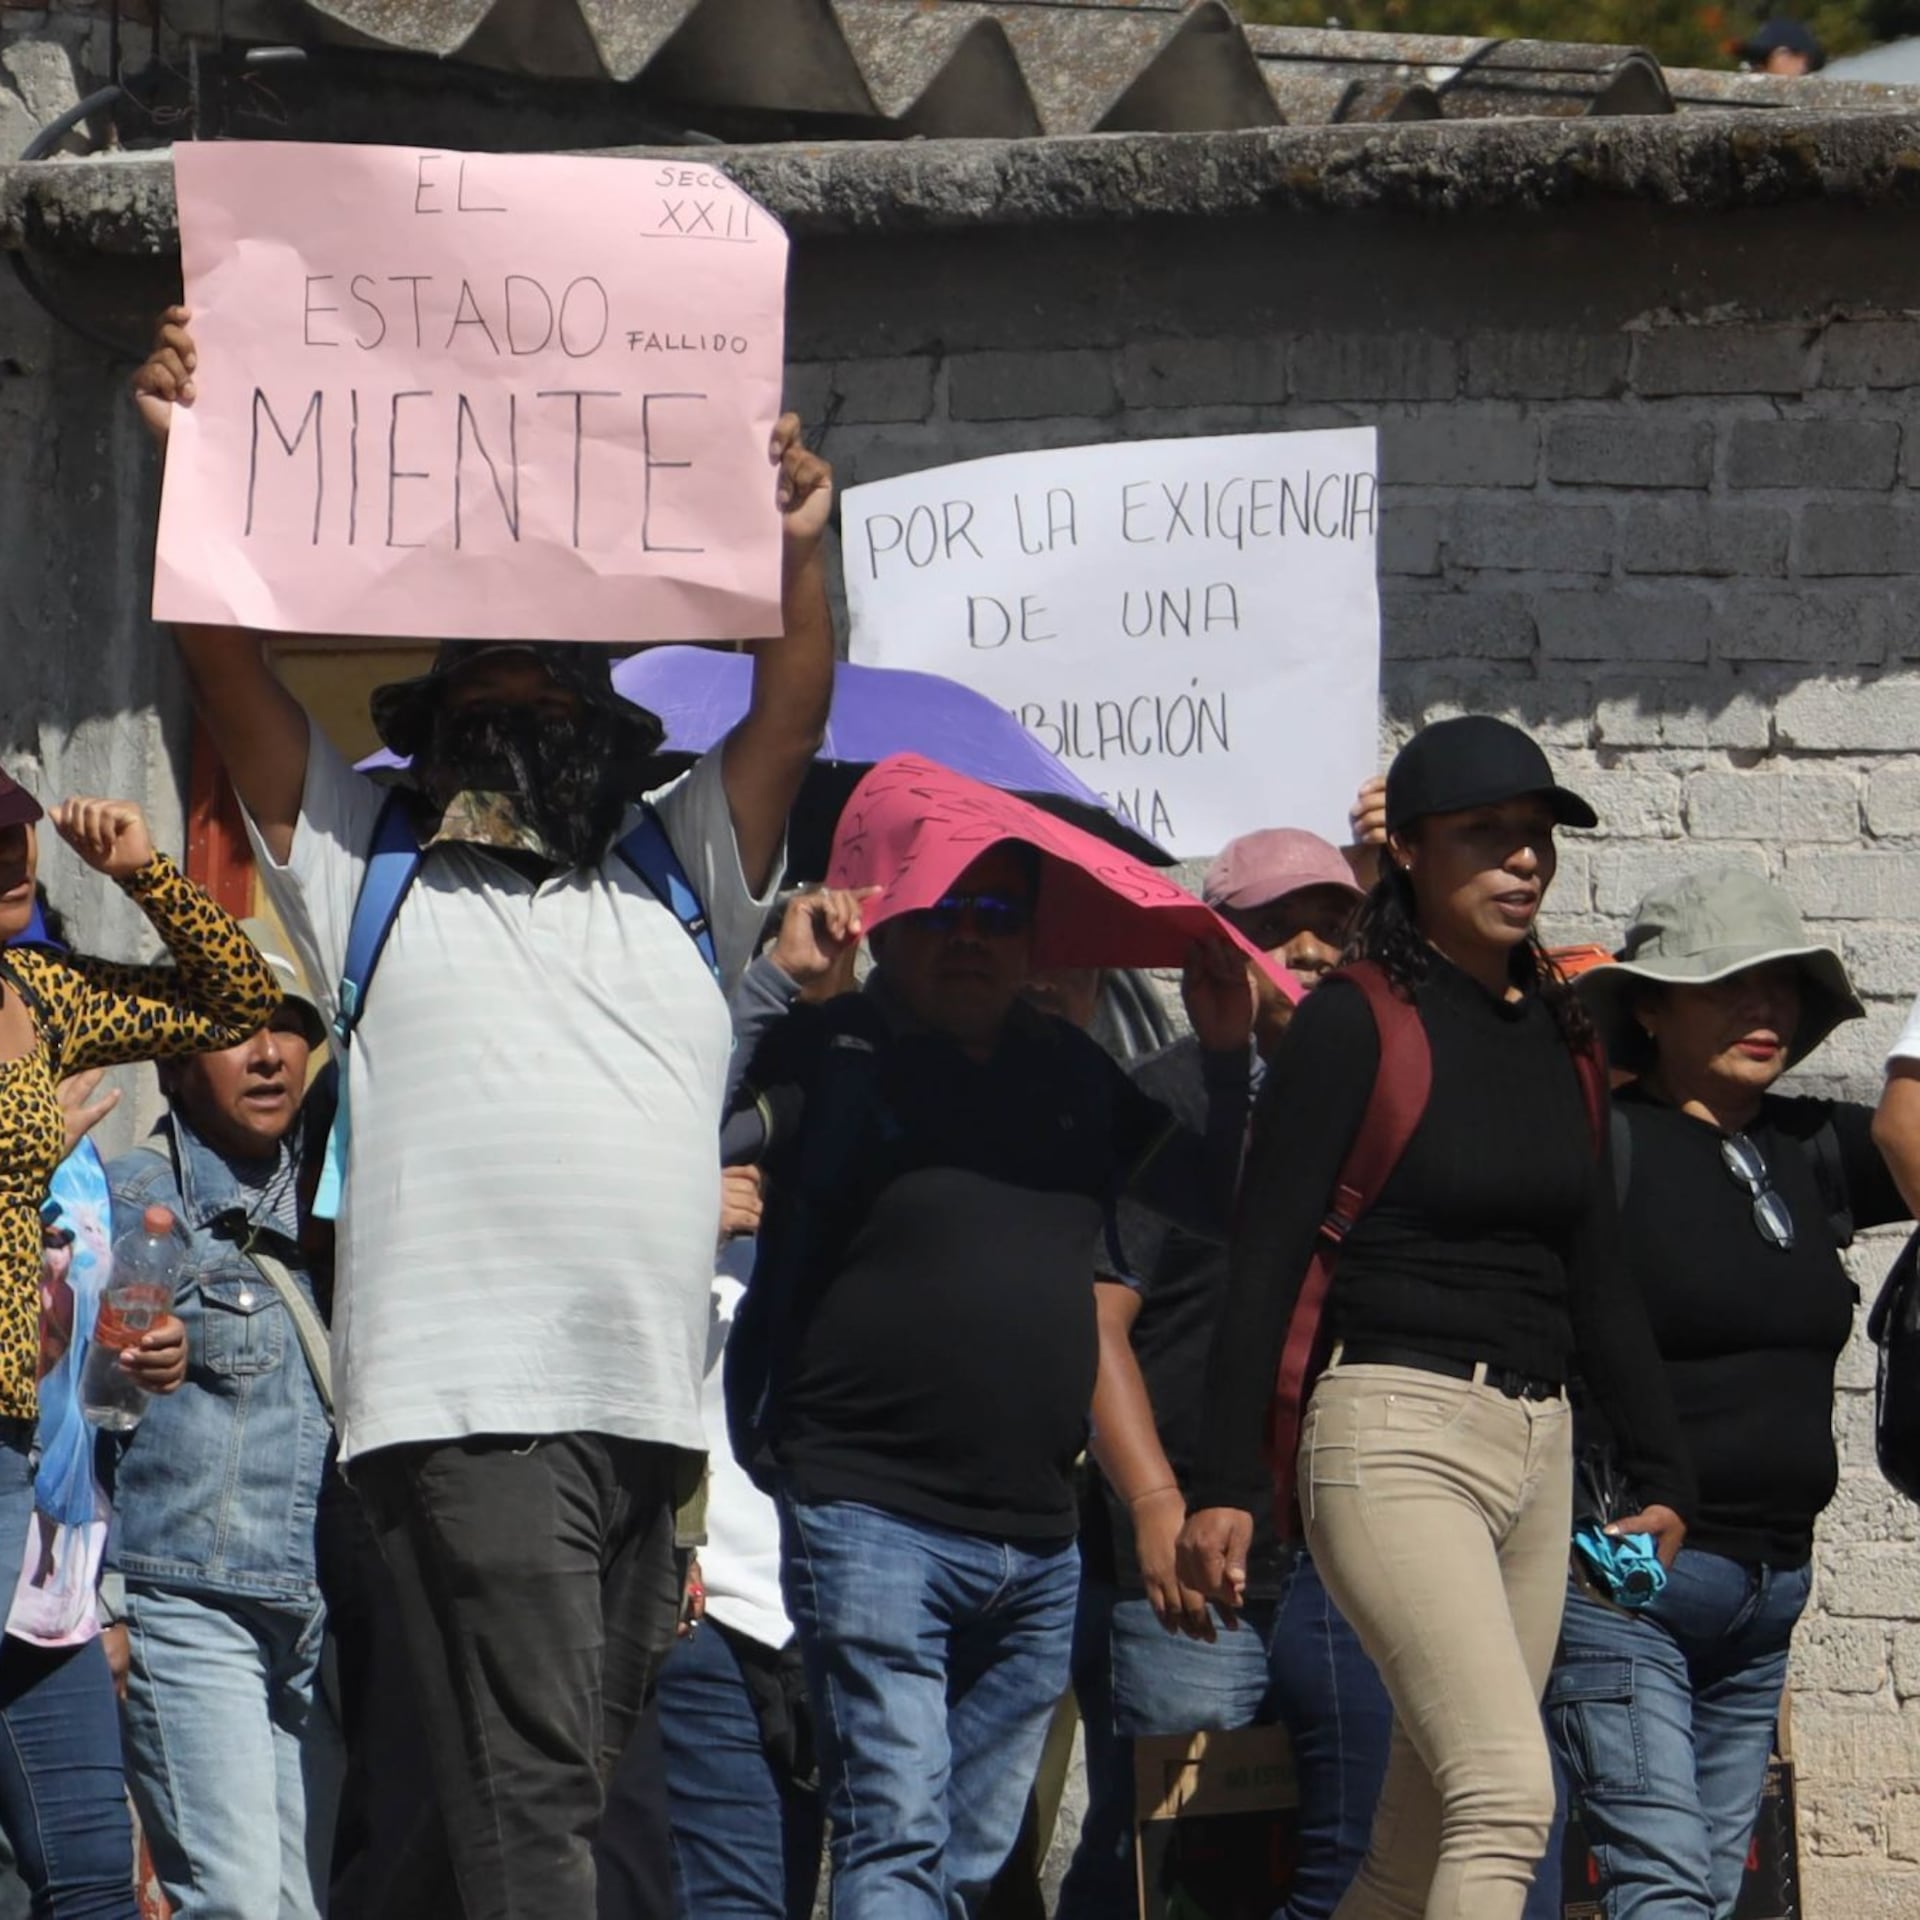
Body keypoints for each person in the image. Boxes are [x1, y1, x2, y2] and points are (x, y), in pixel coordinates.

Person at [133, 310, 835, 1920]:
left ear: (608, 727)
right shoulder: (367, 866)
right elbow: (226, 669)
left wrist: (803, 546)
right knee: (536, 1814)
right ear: (433, 725)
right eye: (485, 691)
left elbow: (790, 705)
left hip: (647, 1424)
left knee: (557, 1798)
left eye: (552, 689)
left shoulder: (685, 878)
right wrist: (193, 466)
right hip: (461, 1412)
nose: (519, 717)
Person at [1179, 716, 1695, 1920]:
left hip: (1540, 1447)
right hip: (1392, 1433)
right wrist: (1222, 1484)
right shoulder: (1353, 1020)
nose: (1523, 862)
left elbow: (1593, 1264)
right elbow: (1262, 1260)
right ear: (1406, 848)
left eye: (1537, 839)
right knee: (1510, 1798)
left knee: (1416, 1844)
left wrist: (1664, 1468)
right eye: (1489, 837)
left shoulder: (1564, 1033)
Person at [729, 839, 1256, 1919]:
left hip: (1035, 1538)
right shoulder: (834, 1047)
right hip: (869, 1512)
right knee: (898, 1832)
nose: (971, 936)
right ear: (891, 923)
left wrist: (1220, 1057)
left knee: (968, 1861)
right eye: (943, 910)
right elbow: (692, 1123)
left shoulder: (1069, 1068)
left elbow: (1222, 1205)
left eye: (999, 915)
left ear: (1035, 943)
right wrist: (779, 981)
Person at [1530, 868, 1906, 1920]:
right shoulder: (1599, 1146)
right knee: (1661, 1890)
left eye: (1783, 987)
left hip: (1771, 1588)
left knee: (1703, 1893)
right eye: (1729, 985)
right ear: (1648, 1006)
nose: (1766, 1009)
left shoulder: (1818, 1146)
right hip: (1624, 1574)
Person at [1060, 825, 1394, 1920]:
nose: (1305, 949)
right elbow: (1096, 1322)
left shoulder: (1383, 1109)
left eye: (1332, 926)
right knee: (1174, 1864)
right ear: (1217, 946)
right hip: (1195, 1575)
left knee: (1338, 1851)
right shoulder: (1162, 1103)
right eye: (1272, 928)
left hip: (1343, 1553)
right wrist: (1156, 1505)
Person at [0, 770, 279, 1917]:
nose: (15, 854)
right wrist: (19, 1134)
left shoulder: (43, 987)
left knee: (88, 1870)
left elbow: (231, 1001)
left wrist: (144, 875)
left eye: (17, 831)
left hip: (44, 1484)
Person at [103, 922, 343, 1920]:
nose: (268, 1053)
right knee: (237, 1905)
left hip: (314, 1621)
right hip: (188, 1606)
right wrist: (109, 1608)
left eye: (287, 1027)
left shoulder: (337, 1203)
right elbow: (84, 1410)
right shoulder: (137, 1203)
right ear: (175, 1060)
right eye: (234, 1029)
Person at [653, 887, 867, 1920]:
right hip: (712, 1617)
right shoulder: (672, 1212)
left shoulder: (855, 1233)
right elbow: (675, 1120)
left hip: (836, 1621)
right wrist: (775, 979)